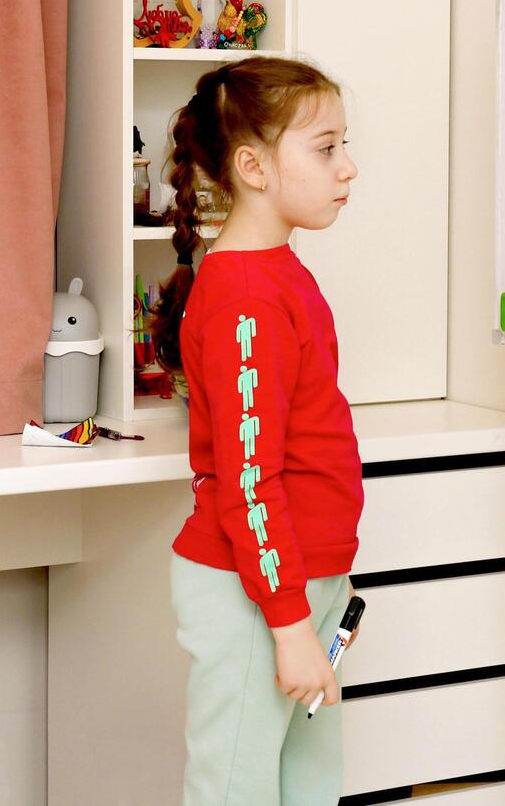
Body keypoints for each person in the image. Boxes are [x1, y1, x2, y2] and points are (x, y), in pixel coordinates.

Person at [150, 57, 365, 805]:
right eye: (326, 147)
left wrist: (312, 600)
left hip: (301, 584)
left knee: (307, 784)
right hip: (258, 597)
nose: (349, 167)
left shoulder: (277, 272)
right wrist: (288, 624)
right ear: (253, 166)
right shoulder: (245, 294)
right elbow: (248, 480)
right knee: (235, 789)